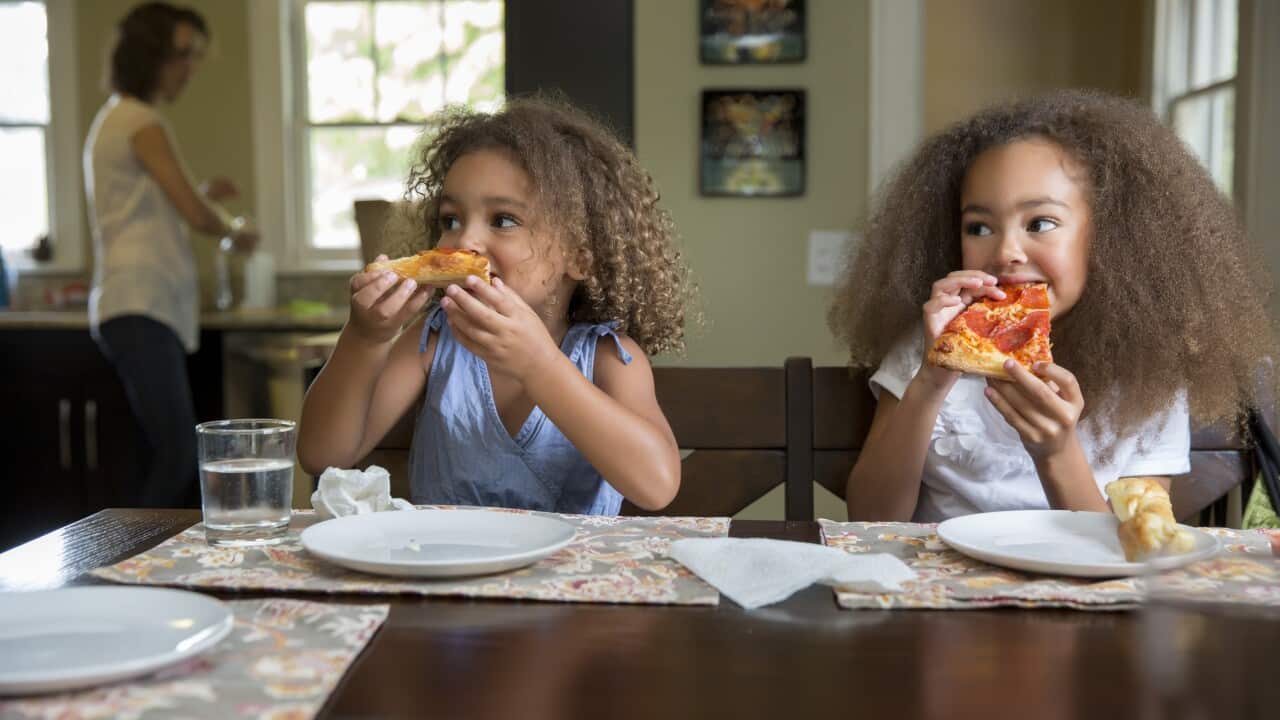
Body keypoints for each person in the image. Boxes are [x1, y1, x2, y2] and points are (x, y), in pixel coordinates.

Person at [828, 90, 1277, 522]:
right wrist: (928, 383)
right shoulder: (924, 348)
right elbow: (871, 516)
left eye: (1040, 223)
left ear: (1109, 237)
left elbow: (1128, 544)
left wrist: (1057, 452)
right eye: (979, 227)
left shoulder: (1149, 373)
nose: (1006, 252)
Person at [298, 97, 692, 514]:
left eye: (503, 220)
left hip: (570, 559)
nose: (464, 240)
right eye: (451, 220)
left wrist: (538, 364)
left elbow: (657, 486)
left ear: (580, 256)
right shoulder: (434, 341)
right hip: (445, 556)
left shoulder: (609, 358)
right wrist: (365, 338)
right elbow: (322, 456)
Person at [85, 2, 257, 507]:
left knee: (159, 453)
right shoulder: (140, 121)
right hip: (140, 305)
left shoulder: (116, 119)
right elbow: (195, 214)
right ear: (149, 54)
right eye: (182, 53)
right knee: (178, 455)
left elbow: (150, 205)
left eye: (195, 55)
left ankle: (136, 551)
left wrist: (201, 195)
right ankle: (138, 553)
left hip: (134, 306)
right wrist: (234, 231)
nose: (190, 67)